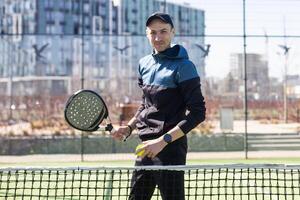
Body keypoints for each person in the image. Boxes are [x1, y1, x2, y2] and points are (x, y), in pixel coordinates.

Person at [112, 12, 206, 200]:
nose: (158, 37)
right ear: (147, 34)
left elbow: (198, 113)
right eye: (153, 32)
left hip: (171, 148)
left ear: (172, 32)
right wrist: (129, 127)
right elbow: (146, 105)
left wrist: (163, 141)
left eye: (163, 31)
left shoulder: (185, 66)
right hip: (145, 146)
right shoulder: (144, 64)